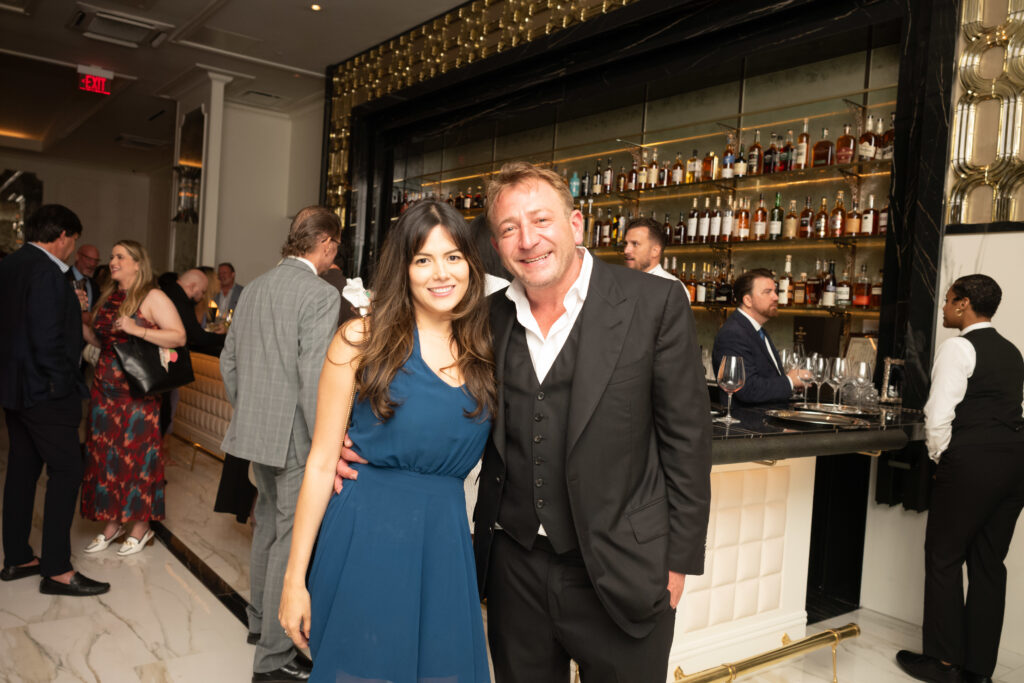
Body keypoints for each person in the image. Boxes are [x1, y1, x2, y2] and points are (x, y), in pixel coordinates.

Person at [340, 162, 713, 682]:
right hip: (514, 568)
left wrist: (679, 561)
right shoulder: (484, 316)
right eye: (509, 228)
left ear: (576, 224)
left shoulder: (653, 304)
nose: (528, 240)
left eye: (541, 220)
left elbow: (688, 443)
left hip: (623, 567)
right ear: (496, 242)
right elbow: (421, 377)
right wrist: (351, 438)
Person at [279, 200, 494, 683]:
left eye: (454, 256)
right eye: (423, 259)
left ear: (471, 265)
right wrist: (294, 579)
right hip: (364, 536)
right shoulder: (361, 339)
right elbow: (320, 462)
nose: (441, 273)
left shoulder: (487, 350)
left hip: (445, 545)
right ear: (404, 267)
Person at [220, 206, 341, 682]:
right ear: (326, 243)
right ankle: (272, 659)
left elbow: (230, 363)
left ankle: (257, 623)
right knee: (291, 546)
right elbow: (315, 379)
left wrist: (250, 411)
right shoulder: (319, 293)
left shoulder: (253, 289)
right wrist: (324, 448)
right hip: (295, 439)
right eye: (336, 247)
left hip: (256, 434)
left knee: (267, 529)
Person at [896, 274, 1024, 683]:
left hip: (971, 463)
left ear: (964, 304)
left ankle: (943, 662)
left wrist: (941, 458)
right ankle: (978, 670)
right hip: (1015, 463)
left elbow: (938, 415)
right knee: (989, 563)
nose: (944, 308)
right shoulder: (1012, 351)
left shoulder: (959, 346)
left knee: (944, 557)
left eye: (949, 300)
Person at [0, 204, 110, 597]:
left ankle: (17, 556)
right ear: (62, 235)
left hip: (15, 390)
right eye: (73, 240)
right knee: (67, 470)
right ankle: (57, 569)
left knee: (22, 471)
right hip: (45, 393)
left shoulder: (11, 265)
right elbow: (49, 340)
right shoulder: (49, 272)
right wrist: (62, 385)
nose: (71, 248)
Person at [79, 240, 185, 556]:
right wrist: (79, 315)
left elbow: (178, 336)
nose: (113, 261)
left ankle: (141, 527)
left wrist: (138, 330)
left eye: (120, 256)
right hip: (104, 390)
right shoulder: (110, 296)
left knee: (137, 458)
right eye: (112, 256)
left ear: (138, 264)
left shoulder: (152, 296)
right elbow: (101, 339)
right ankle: (112, 524)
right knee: (105, 456)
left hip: (137, 393)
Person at [711, 267, 803, 405]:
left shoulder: (757, 330)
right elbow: (747, 389)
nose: (776, 297)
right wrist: (790, 381)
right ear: (748, 300)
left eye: (775, 292)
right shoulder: (733, 333)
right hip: (747, 424)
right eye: (768, 292)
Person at [161, 268, 227, 356]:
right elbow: (197, 337)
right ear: (192, 286)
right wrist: (225, 338)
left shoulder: (168, 290)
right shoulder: (182, 301)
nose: (203, 296)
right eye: (202, 292)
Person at [622, 216, 679, 283]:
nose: (626, 251)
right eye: (625, 243)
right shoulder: (622, 282)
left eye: (635, 244)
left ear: (655, 251)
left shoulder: (672, 287)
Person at [71, 243, 101, 310]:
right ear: (77, 256)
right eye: (89, 259)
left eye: (96, 261)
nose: (92, 264)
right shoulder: (62, 278)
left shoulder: (95, 285)